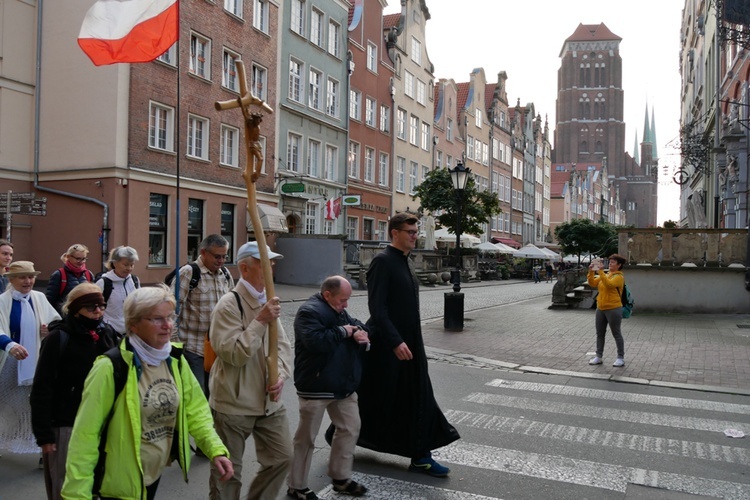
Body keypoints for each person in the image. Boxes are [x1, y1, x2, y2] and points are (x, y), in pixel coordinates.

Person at [61, 285, 233, 499]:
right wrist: (76, 494)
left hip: (153, 474)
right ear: (133, 324)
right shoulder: (110, 368)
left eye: (170, 317)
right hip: (118, 484)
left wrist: (215, 449)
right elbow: (85, 435)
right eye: (156, 319)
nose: (167, 325)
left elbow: (196, 410)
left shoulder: (175, 360)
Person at [355, 213, 459, 477]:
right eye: (410, 232)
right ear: (395, 233)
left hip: (411, 342)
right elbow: (377, 309)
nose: (415, 235)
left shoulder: (406, 262)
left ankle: (420, 454)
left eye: (416, 232)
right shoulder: (382, 262)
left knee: (415, 396)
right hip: (390, 345)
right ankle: (344, 435)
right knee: (379, 396)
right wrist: (395, 341)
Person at [208, 241, 293, 500]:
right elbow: (232, 353)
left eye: (273, 263)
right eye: (265, 263)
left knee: (282, 457)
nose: (273, 268)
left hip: (269, 402)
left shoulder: (269, 301)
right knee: (228, 472)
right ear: (245, 269)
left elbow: (283, 347)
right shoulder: (228, 304)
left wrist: (279, 375)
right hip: (234, 403)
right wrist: (260, 321)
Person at [30, 283, 118, 500]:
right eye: (91, 308)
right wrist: (45, 435)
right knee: (66, 486)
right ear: (76, 309)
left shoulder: (107, 333)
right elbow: (42, 387)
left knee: (100, 486)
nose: (98, 312)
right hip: (67, 424)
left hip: (103, 423)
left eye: (101, 306)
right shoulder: (58, 338)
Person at [288, 276, 369, 500]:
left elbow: (353, 322)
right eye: (343, 300)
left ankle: (341, 478)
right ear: (327, 295)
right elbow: (316, 341)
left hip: (341, 384)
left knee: (350, 427)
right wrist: (346, 332)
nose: (346, 305)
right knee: (306, 438)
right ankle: (297, 486)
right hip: (316, 384)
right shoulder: (309, 312)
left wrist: (360, 331)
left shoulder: (338, 310)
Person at [0, 261, 61, 454]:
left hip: (35, 360)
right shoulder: (3, 301)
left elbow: (55, 321)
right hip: (9, 362)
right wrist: (10, 344)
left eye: (31, 277)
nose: (28, 281)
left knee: (35, 403)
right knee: (6, 404)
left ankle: (37, 443)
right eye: (23, 277)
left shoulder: (39, 297)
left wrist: (48, 329)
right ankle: (4, 438)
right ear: (11, 279)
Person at [172, 234, 234, 394]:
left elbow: (233, 306)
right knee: (197, 395)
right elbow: (171, 309)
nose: (221, 261)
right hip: (194, 349)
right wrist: (175, 343)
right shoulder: (189, 273)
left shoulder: (225, 274)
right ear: (203, 252)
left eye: (224, 256)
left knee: (217, 395)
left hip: (218, 349)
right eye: (217, 256)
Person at [587, 254, 627, 367]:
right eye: (610, 262)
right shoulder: (606, 274)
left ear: (619, 265)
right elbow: (592, 283)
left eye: (613, 262)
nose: (610, 264)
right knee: (600, 333)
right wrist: (591, 272)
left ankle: (620, 357)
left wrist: (600, 272)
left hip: (614, 308)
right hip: (601, 308)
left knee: (616, 333)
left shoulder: (619, 277)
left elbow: (609, 284)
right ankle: (598, 356)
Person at [96, 245, 140, 337]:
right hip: (109, 334)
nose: (129, 268)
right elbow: (95, 308)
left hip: (131, 333)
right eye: (125, 264)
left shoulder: (134, 280)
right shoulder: (103, 283)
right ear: (115, 263)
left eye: (132, 265)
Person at [45, 244, 96, 314]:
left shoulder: (88, 274)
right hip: (65, 318)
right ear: (68, 257)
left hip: (84, 318)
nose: (81, 262)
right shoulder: (59, 275)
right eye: (78, 259)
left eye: (84, 259)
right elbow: (50, 301)